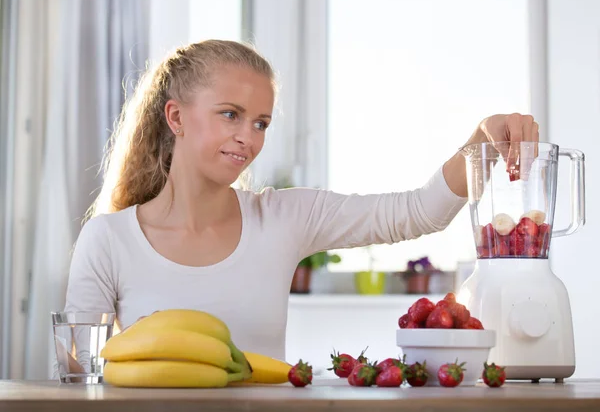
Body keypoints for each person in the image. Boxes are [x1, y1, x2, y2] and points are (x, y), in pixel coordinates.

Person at [64, 39, 540, 362]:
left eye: (260, 123)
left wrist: (480, 142)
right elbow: (79, 375)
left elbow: (417, 212)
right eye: (230, 114)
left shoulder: (284, 219)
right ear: (176, 117)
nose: (247, 138)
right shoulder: (108, 240)